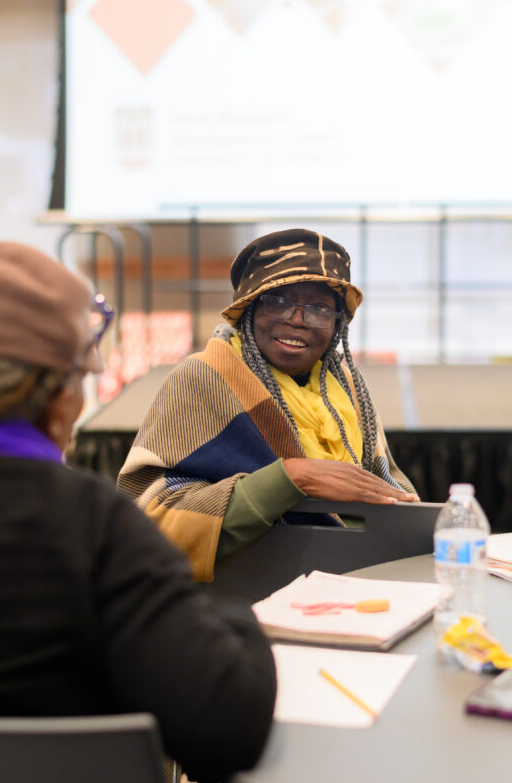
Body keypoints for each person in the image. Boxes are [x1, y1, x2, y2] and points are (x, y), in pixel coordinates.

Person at [0, 242, 276, 783]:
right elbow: (229, 727)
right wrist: (236, 613)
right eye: (80, 374)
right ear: (53, 394)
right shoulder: (94, 526)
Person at [119, 228, 417, 581]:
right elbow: (148, 520)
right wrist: (291, 478)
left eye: (319, 308)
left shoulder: (346, 387)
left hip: (355, 588)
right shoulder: (203, 378)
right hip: (242, 598)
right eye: (276, 300)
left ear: (338, 326)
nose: (296, 319)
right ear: (248, 310)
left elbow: (392, 496)